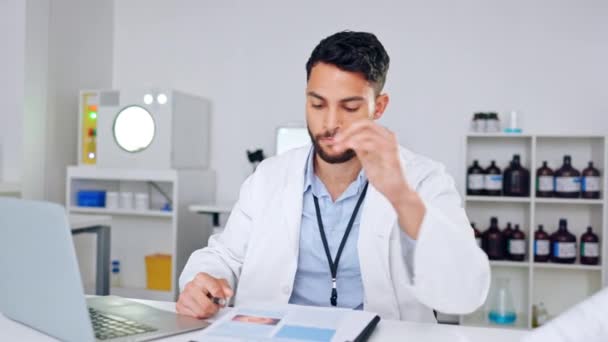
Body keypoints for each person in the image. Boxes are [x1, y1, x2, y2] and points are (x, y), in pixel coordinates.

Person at [177, 31, 490, 322]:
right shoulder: (269, 177)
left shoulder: (424, 179)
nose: (329, 123)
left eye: (350, 107)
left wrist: (401, 196)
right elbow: (224, 256)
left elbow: (465, 294)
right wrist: (204, 282)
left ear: (378, 107)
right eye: (317, 104)